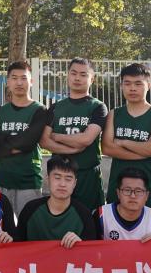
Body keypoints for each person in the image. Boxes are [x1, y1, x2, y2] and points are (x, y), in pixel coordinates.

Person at [103, 63, 151, 231]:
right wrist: (144, 149)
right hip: (119, 186)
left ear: (148, 85)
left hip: (149, 185)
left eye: (138, 83)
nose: (132, 88)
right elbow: (107, 148)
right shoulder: (114, 114)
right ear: (121, 86)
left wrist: (123, 142)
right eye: (127, 83)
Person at [39, 58, 108, 209]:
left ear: (92, 79)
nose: (77, 78)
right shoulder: (55, 108)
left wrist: (57, 136)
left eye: (83, 75)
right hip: (60, 176)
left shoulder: (98, 107)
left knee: (90, 220)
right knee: (60, 217)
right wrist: (71, 149)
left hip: (87, 176)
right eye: (73, 73)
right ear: (68, 75)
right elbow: (44, 141)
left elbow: (86, 139)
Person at [0, 61, 48, 215]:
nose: (19, 83)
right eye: (14, 78)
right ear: (8, 82)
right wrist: (17, 145)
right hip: (1, 180)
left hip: (28, 181)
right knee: (1, 226)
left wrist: (4, 144)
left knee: (28, 226)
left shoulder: (40, 110)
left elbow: (28, 142)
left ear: (31, 81)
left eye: (23, 78)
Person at [15, 155, 97, 247]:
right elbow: (17, 246)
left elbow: (91, 251)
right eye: (57, 178)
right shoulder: (30, 209)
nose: (62, 184)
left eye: (68, 179)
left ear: (74, 183)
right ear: (48, 179)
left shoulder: (84, 215)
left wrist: (81, 244)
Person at [95, 167, 151, 242]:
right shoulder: (101, 215)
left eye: (138, 191)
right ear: (118, 193)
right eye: (127, 190)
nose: (133, 196)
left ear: (147, 195)